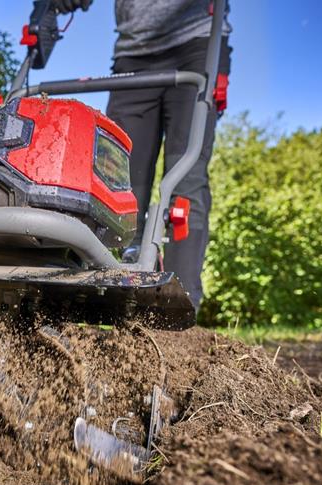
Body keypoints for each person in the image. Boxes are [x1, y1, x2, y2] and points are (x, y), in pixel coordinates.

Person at [52, 0, 231, 312]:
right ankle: (115, 290)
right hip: (133, 51)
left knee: (185, 179)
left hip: (197, 43)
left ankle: (179, 305)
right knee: (118, 180)